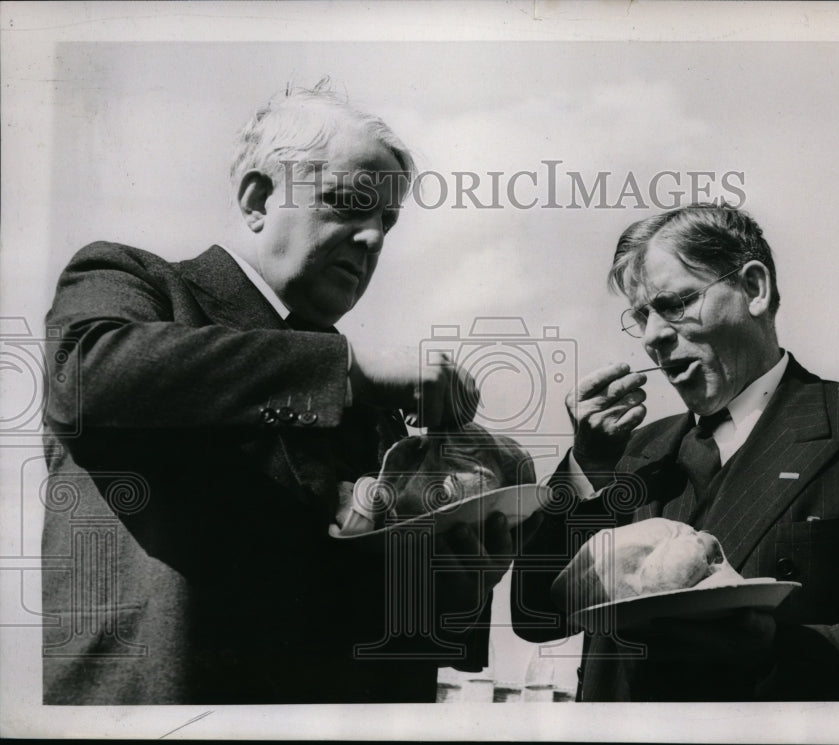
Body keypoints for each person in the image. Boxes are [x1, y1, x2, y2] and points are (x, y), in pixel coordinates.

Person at [40, 80, 516, 704]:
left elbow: (407, 636)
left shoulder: (370, 407)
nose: (373, 239)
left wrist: (463, 568)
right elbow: (87, 378)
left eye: (387, 221)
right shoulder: (133, 280)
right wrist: (349, 369)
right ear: (259, 198)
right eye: (350, 203)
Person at [511, 203, 839, 701]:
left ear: (754, 289)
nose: (653, 336)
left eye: (675, 304)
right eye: (641, 315)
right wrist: (588, 469)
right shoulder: (634, 452)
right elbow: (537, 616)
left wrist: (770, 648)